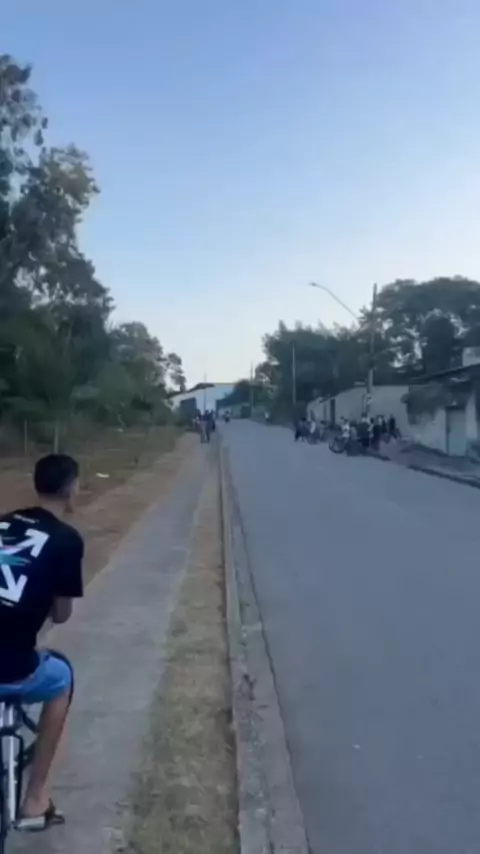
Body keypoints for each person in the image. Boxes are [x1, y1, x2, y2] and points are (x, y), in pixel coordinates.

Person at [0, 454, 84, 830]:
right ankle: (35, 800)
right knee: (61, 677)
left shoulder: (3, 522)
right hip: (13, 666)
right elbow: (62, 615)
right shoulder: (67, 540)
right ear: (71, 488)